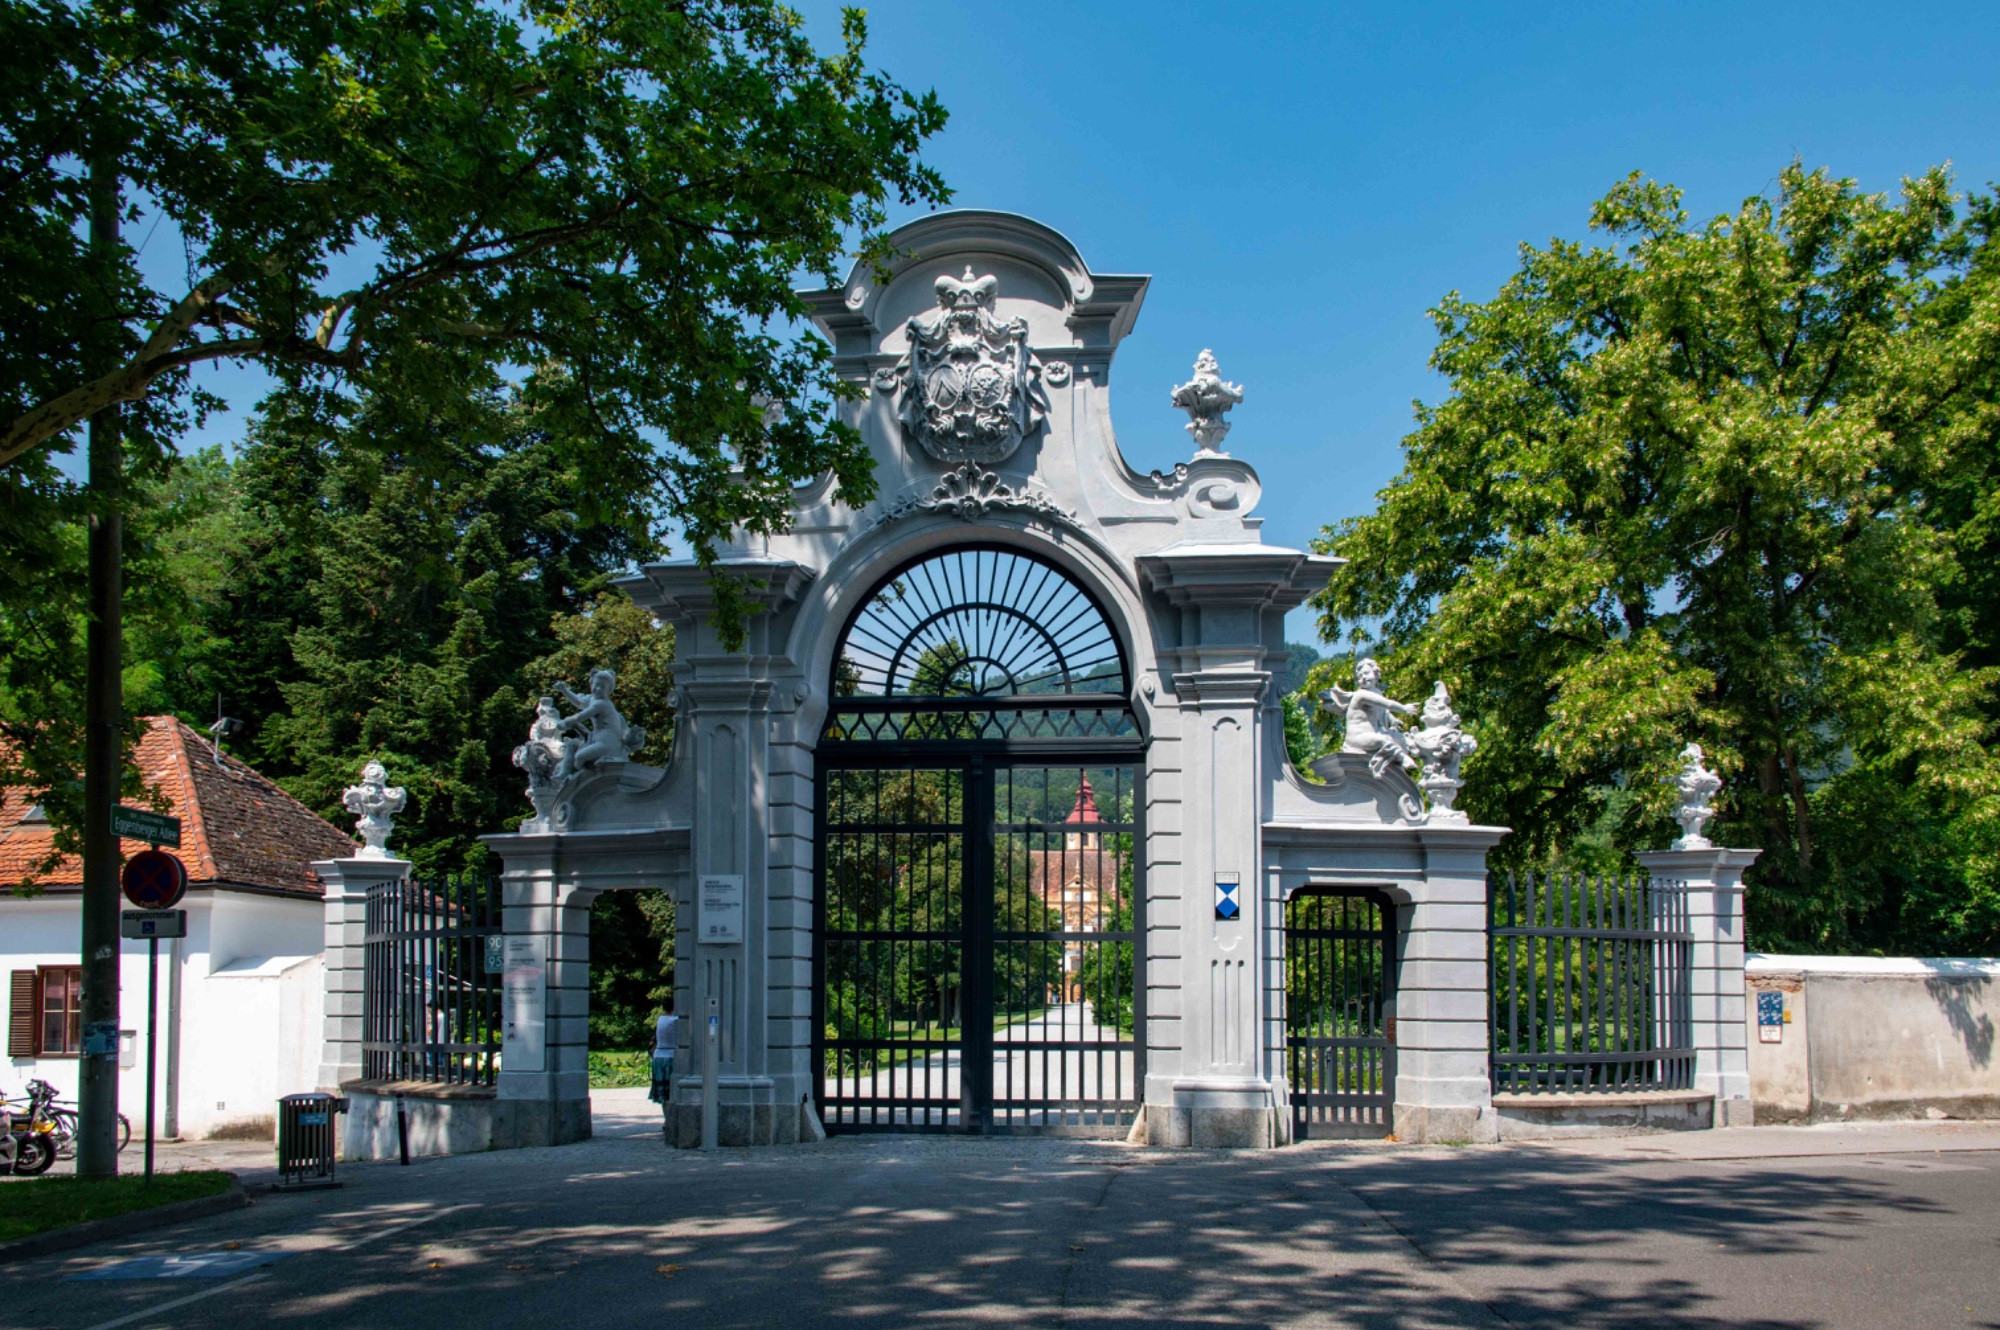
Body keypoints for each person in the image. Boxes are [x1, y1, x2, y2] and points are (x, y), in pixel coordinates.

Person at [650, 998, 678, 1109]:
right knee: (672, 1092)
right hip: (670, 1057)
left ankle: (666, 1119)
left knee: (663, 1095)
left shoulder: (660, 1019)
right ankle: (670, 1120)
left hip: (658, 1057)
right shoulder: (675, 1020)